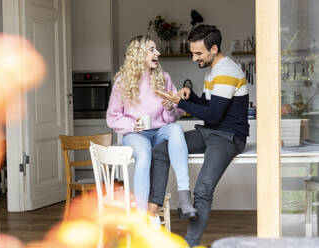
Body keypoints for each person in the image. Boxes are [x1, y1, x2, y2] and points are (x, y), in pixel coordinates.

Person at [148, 25, 249, 246]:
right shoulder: (213, 70)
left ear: (214, 48)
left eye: (198, 53)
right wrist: (191, 95)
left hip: (228, 137)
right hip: (209, 132)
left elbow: (213, 115)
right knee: (160, 150)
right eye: (193, 53)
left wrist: (180, 102)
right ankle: (152, 211)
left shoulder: (227, 71)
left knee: (203, 189)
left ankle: (190, 244)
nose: (194, 58)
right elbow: (208, 105)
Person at [106, 35, 197, 222]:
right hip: (135, 134)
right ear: (138, 54)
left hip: (159, 130)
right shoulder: (123, 81)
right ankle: (141, 216)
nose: (158, 53)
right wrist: (133, 125)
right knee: (145, 153)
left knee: (176, 130)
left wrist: (169, 108)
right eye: (152, 49)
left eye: (156, 49)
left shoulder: (164, 78)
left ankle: (184, 195)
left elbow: (170, 119)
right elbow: (113, 117)